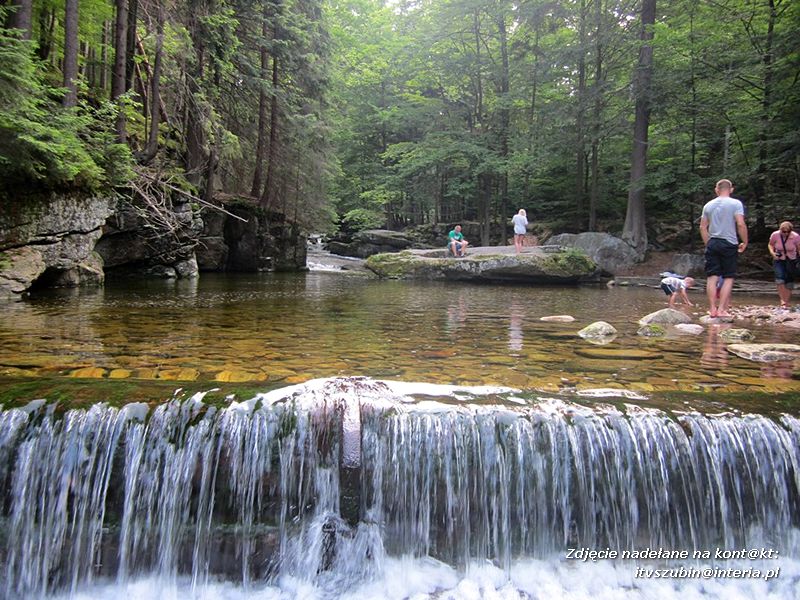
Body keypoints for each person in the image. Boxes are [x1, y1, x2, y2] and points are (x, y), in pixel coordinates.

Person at [699, 179, 748, 318]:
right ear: (731, 189)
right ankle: (721, 309)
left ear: (716, 189)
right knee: (728, 277)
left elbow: (703, 227)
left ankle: (712, 309)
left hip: (713, 242)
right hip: (729, 242)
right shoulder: (736, 204)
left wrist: (707, 243)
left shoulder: (708, 205)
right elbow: (740, 224)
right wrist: (744, 241)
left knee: (712, 277)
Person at [768, 221, 800, 308]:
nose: (785, 233)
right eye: (783, 231)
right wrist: (773, 253)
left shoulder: (796, 237)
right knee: (780, 278)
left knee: (789, 280)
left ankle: (786, 300)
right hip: (779, 259)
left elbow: (798, 248)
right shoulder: (775, 235)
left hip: (791, 260)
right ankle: (783, 301)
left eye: (787, 232)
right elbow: (770, 245)